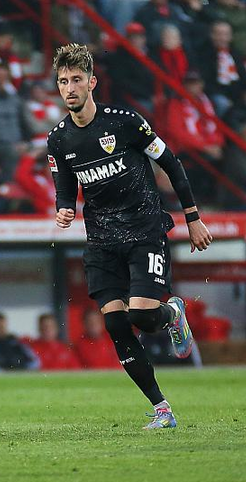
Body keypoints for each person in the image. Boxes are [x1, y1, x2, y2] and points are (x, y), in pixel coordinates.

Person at [48, 44, 213, 430]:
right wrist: (64, 207)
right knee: (116, 325)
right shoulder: (58, 139)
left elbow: (170, 162)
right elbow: (64, 185)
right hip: (102, 241)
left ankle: (172, 313)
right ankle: (162, 409)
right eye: (62, 81)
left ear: (92, 82)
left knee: (142, 315)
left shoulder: (125, 122)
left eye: (75, 80)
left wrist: (192, 217)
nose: (69, 88)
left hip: (144, 231)